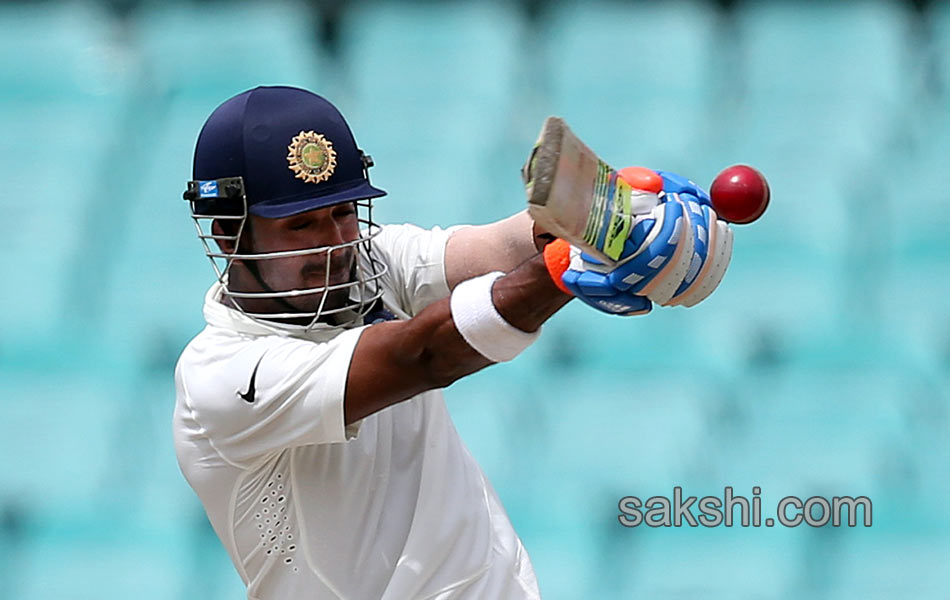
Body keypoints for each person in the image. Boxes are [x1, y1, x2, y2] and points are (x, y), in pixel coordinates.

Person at [173, 86, 733, 600]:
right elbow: (421, 354)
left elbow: (498, 248)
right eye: (301, 224)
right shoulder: (222, 376)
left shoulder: (370, 263)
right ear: (228, 233)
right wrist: (568, 265)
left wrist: (609, 214)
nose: (334, 243)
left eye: (343, 213)